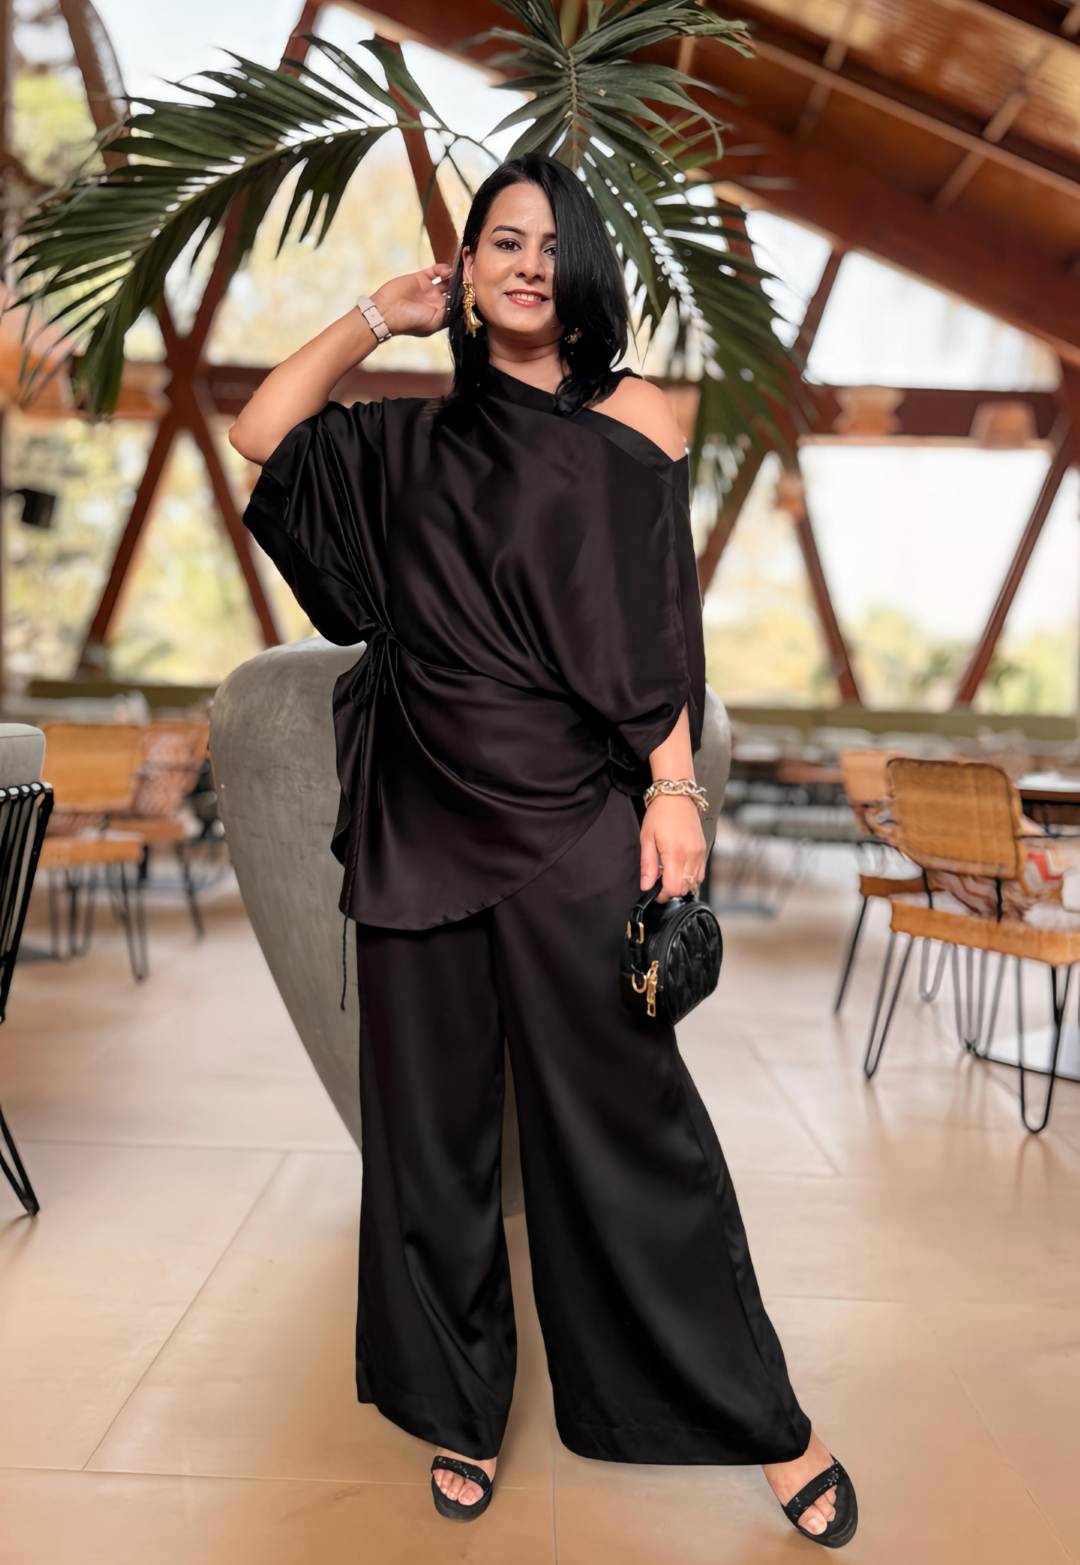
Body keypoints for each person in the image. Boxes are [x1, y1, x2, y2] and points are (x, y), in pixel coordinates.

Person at [229, 153, 857, 1547]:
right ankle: (458, 1408)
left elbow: (656, 623)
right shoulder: (405, 440)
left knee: (633, 1125)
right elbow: (260, 430)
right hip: (416, 812)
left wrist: (673, 788)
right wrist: (376, 316)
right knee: (429, 1145)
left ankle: (765, 1422)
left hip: (571, 813)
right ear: (466, 271)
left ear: (582, 273)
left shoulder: (635, 419)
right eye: (499, 241)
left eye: (548, 244)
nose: (524, 264)